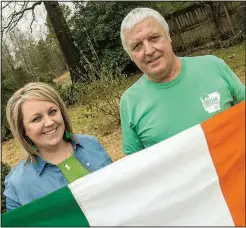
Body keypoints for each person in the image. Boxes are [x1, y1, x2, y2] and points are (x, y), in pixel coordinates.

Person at [120, 7, 245, 155]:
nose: (149, 50)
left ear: (168, 36)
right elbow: (135, 167)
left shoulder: (214, 66)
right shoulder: (129, 103)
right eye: (137, 46)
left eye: (154, 38)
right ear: (130, 56)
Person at [4, 82, 113, 211]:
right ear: (23, 130)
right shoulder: (17, 184)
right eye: (37, 119)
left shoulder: (91, 144)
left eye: (52, 112)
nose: (49, 122)